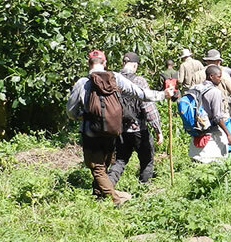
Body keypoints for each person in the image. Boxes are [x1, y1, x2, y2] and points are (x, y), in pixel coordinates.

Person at [66, 50, 173, 206]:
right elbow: (141, 94)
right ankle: (99, 196)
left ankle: (115, 199)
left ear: (89, 64)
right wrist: (163, 94)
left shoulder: (82, 83)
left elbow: (71, 111)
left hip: (91, 132)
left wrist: (81, 116)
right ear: (105, 63)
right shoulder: (115, 78)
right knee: (106, 164)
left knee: (98, 168)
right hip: (112, 130)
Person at [107, 52, 163, 186]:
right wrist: (157, 129)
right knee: (147, 160)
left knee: (120, 160)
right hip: (139, 128)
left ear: (123, 63)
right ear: (134, 65)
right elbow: (148, 107)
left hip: (119, 129)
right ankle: (144, 188)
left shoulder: (113, 80)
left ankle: (107, 187)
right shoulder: (139, 81)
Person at [202, 49, 231, 155]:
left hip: (201, 117)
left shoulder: (198, 74)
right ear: (218, 61)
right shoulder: (222, 75)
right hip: (221, 116)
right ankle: (228, 160)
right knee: (226, 145)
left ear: (207, 61)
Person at [189, 65, 231, 163]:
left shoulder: (195, 88)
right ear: (211, 76)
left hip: (196, 127)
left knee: (197, 160)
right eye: (219, 77)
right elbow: (217, 117)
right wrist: (228, 134)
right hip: (210, 129)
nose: (220, 79)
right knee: (216, 159)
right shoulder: (215, 92)